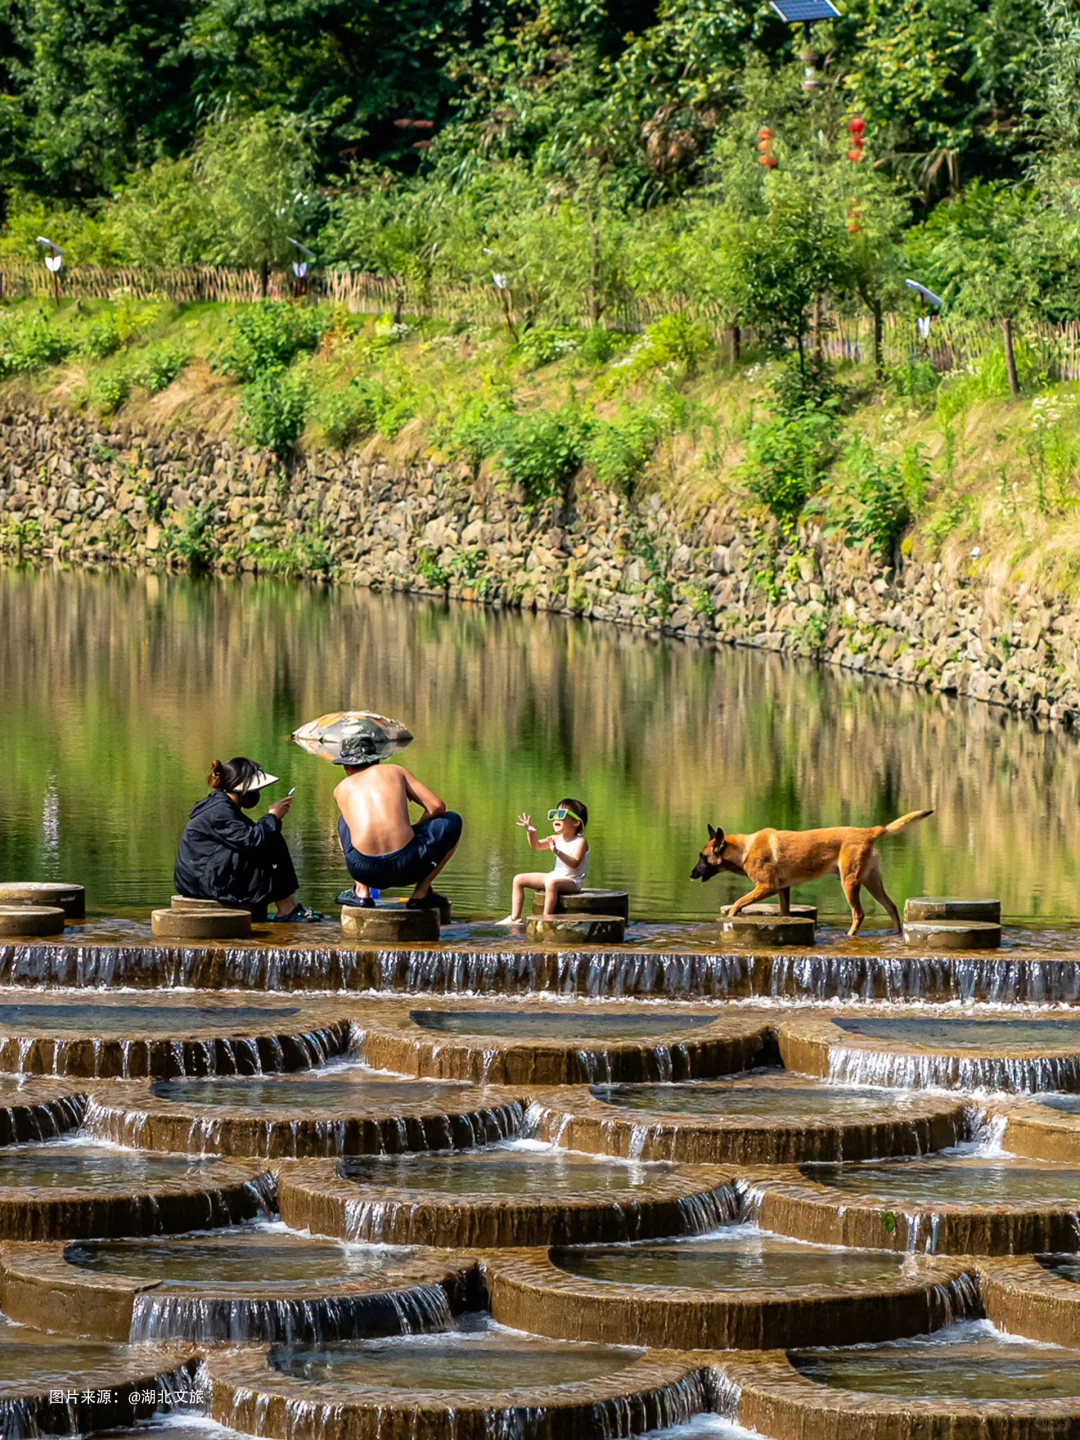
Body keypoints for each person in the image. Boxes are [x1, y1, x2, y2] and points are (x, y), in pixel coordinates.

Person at [174, 758, 321, 921]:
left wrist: (273, 820)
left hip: (206, 875)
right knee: (266, 840)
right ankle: (287, 910)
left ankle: (289, 907)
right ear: (241, 789)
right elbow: (252, 840)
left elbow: (254, 834)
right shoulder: (219, 810)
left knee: (270, 837)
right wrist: (272, 816)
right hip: (201, 881)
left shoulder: (224, 805)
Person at [334, 755, 462, 909]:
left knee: (345, 821)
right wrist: (417, 830)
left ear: (346, 766)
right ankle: (421, 894)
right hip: (408, 866)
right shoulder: (395, 771)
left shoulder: (341, 788)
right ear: (377, 760)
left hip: (364, 870)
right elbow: (437, 807)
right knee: (452, 820)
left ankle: (362, 891)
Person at [497, 798, 589, 925]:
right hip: (555, 876)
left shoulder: (580, 841)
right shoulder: (556, 838)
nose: (555, 818)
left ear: (576, 822)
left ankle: (546, 919)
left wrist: (557, 852)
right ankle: (515, 918)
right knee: (518, 879)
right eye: (554, 814)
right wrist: (531, 833)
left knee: (552, 883)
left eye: (561, 815)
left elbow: (574, 863)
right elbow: (537, 846)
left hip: (572, 881)